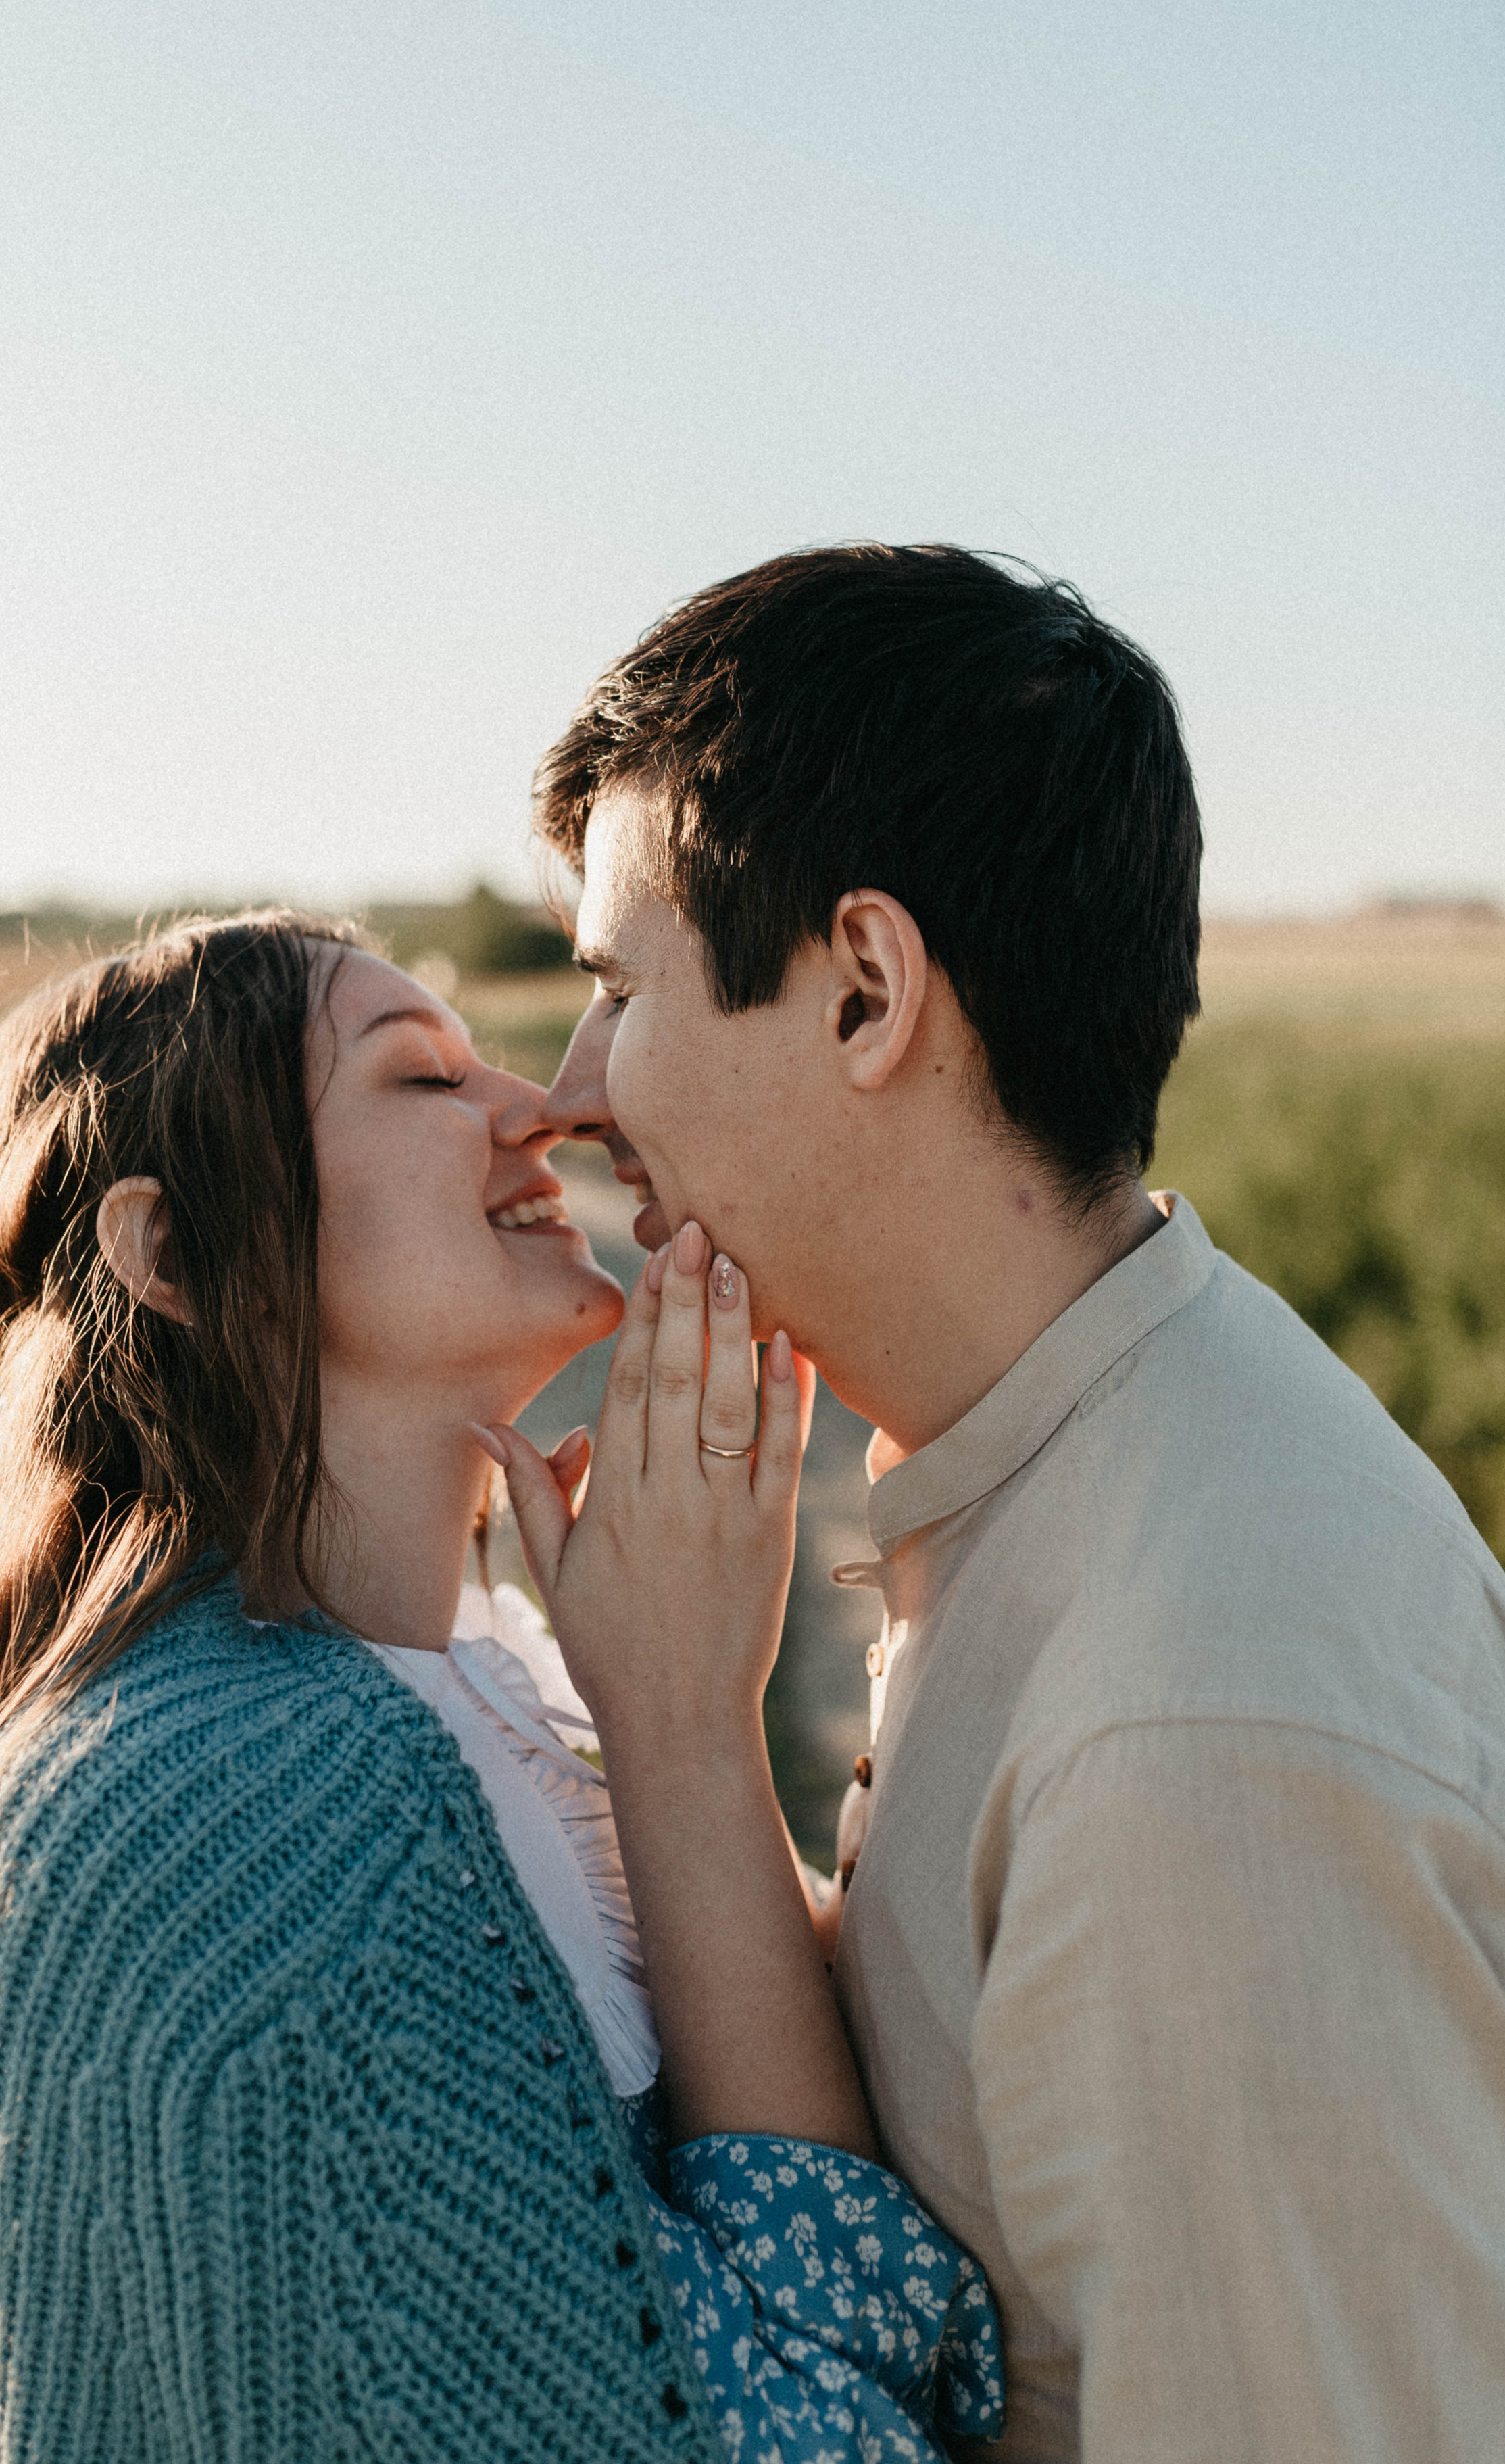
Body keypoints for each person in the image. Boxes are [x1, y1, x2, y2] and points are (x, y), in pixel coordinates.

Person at [0, 912, 1002, 2464]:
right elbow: (813, 2418)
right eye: (421, 1080)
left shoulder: (487, 1706)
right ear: (175, 1255)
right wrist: (686, 1729)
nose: (539, 1108)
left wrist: (669, 1716)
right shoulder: (242, 1813)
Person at [520, 542, 1505, 2462]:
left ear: (867, 990)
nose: (568, 1092)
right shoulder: (1063, 1461)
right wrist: (678, 1738)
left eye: (616, 990)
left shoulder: (1197, 1725)